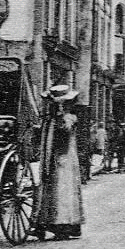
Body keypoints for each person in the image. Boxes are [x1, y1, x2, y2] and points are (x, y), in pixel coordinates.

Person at [32, 84, 85, 239]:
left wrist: (60, 116)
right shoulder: (51, 119)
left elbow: (65, 131)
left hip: (64, 159)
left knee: (62, 190)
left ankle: (64, 226)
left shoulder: (68, 117)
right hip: (51, 158)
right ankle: (46, 223)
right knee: (49, 190)